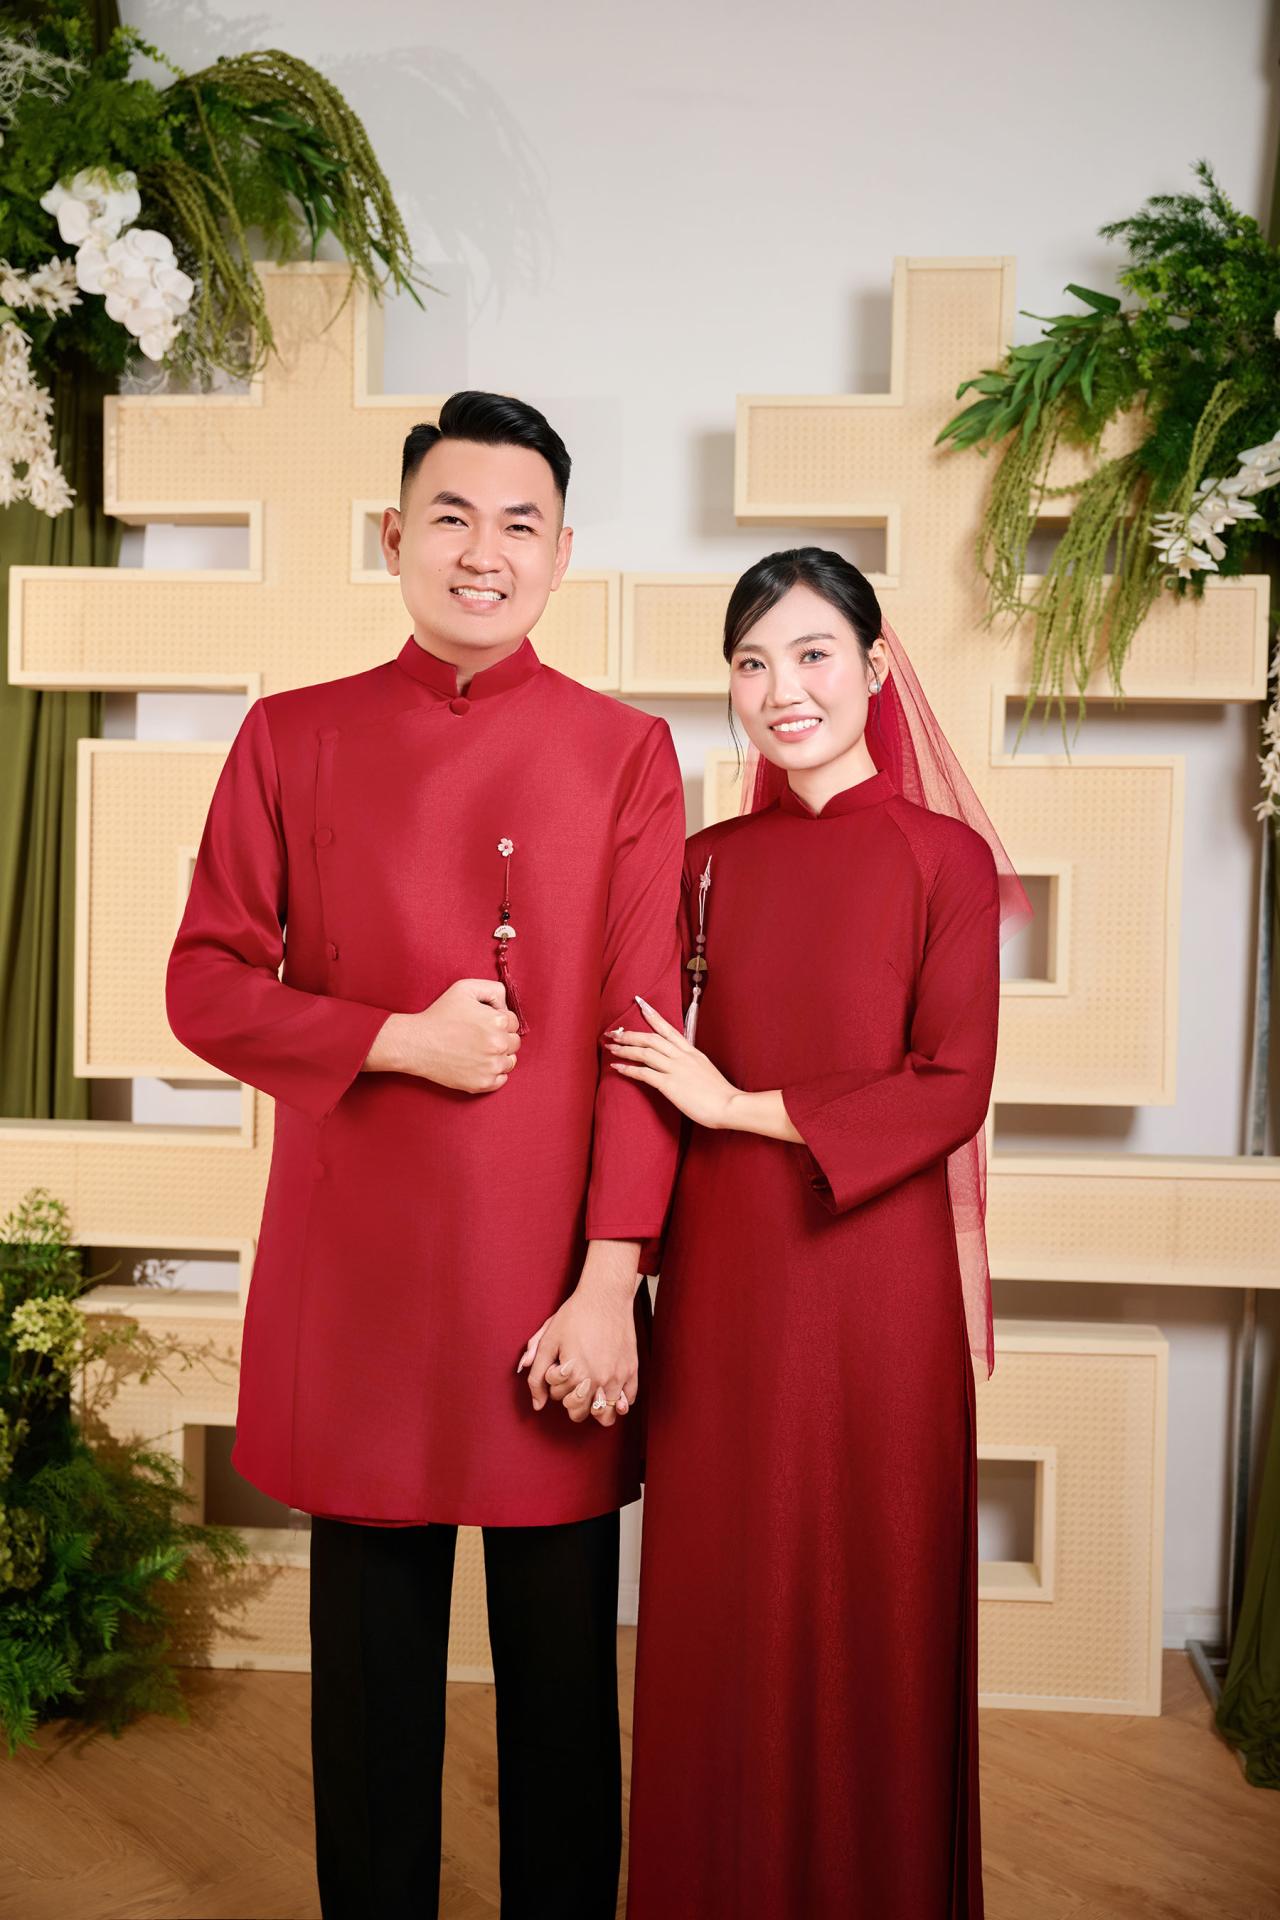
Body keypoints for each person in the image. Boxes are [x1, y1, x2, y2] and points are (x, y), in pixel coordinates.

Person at [164, 391, 685, 1919]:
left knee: (563, 1710)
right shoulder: (292, 735)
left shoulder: (626, 754)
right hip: (365, 1294)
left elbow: (643, 1035)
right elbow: (202, 984)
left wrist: (612, 1284)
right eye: (451, 516)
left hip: (554, 1295)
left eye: (520, 523)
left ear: (563, 553)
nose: (483, 551)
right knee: (371, 1706)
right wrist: (395, 1036)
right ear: (395, 536)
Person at [603, 548, 1030, 1920]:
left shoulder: (946, 860)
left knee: (871, 1603)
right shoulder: (701, 868)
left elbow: (952, 1087)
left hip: (877, 1293)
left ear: (877, 668)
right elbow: (634, 1072)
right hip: (725, 1286)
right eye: (751, 662)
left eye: (812, 654)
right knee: (720, 1600)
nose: (781, 689)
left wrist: (743, 1105)